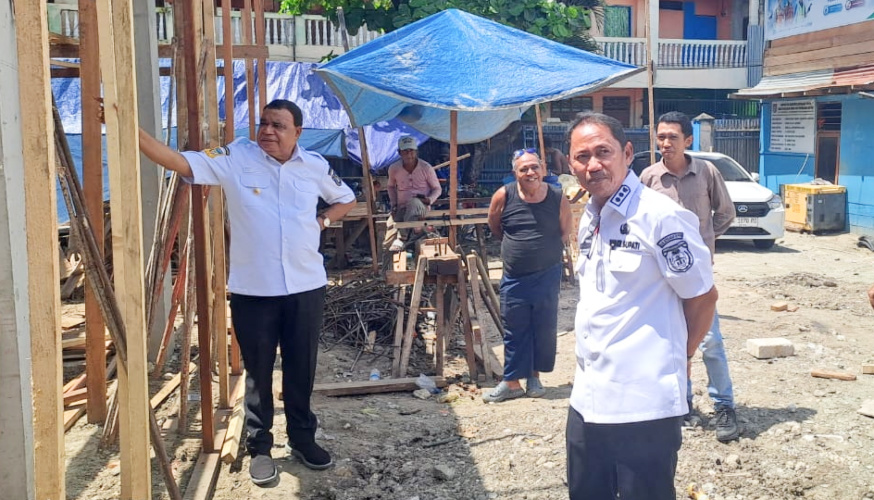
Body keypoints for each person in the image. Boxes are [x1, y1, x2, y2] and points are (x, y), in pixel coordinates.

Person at [138, 99, 356, 486]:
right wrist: (128, 127)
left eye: (278, 125)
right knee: (258, 371)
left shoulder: (314, 166)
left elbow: (346, 198)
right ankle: (259, 447)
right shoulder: (236, 158)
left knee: (301, 367)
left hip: (306, 286)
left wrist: (322, 220)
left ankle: (303, 440)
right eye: (264, 123)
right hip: (254, 290)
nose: (267, 131)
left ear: (297, 133)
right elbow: (178, 162)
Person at [565, 112, 718, 499]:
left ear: (628, 153)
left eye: (603, 152)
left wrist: (681, 357)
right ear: (571, 164)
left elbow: (702, 297)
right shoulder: (590, 215)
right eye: (582, 156)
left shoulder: (660, 216)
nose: (593, 164)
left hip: (643, 404)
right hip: (588, 399)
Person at [640, 111, 740, 442]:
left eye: (672, 137)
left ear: (688, 140)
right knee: (671, 341)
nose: (665, 143)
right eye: (661, 137)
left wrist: (702, 243)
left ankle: (724, 406)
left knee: (710, 342)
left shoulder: (707, 172)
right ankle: (680, 405)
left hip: (698, 278)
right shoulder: (649, 178)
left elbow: (725, 213)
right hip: (662, 279)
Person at [482, 148, 572, 403]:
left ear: (543, 169)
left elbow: (565, 230)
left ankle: (534, 377)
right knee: (514, 326)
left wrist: (545, 251)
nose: (530, 172)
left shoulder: (557, 196)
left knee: (542, 326)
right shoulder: (504, 195)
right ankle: (511, 382)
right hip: (515, 275)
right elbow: (495, 226)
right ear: (515, 173)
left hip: (547, 273)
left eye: (535, 167)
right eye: (524, 169)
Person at [384, 136, 442, 252]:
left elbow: (437, 189)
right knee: (389, 233)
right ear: (399, 152)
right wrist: (394, 204)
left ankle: (402, 237)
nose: (409, 154)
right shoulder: (394, 168)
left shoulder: (426, 167)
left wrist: (429, 200)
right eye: (405, 151)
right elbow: (390, 186)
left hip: (421, 208)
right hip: (402, 207)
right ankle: (386, 261)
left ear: (416, 151)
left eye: (411, 151)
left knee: (414, 202)